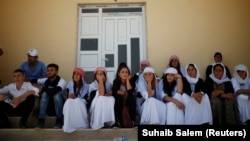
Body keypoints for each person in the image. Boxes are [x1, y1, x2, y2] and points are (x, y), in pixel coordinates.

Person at [35, 63, 67, 128]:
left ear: (57, 72)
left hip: (59, 108)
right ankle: (41, 120)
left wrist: (43, 88)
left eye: (51, 70)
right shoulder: (45, 80)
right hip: (48, 108)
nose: (49, 72)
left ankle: (59, 120)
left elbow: (54, 90)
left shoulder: (62, 81)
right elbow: (34, 80)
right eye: (48, 70)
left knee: (56, 94)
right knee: (44, 94)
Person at [62, 67, 89, 133]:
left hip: (81, 102)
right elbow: (68, 96)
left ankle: (81, 124)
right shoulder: (70, 85)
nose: (75, 76)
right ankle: (69, 124)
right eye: (74, 74)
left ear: (82, 76)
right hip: (71, 102)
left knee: (77, 101)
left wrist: (77, 98)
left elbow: (86, 99)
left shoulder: (86, 86)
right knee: (68, 101)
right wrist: (70, 97)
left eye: (78, 74)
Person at [112, 62, 136, 128]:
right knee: (118, 97)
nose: (125, 74)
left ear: (129, 74)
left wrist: (128, 80)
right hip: (119, 102)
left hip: (128, 102)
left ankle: (132, 121)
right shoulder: (116, 81)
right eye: (122, 72)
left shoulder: (132, 81)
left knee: (132, 97)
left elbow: (130, 91)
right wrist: (119, 92)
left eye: (126, 72)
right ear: (119, 74)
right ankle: (118, 122)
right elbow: (114, 91)